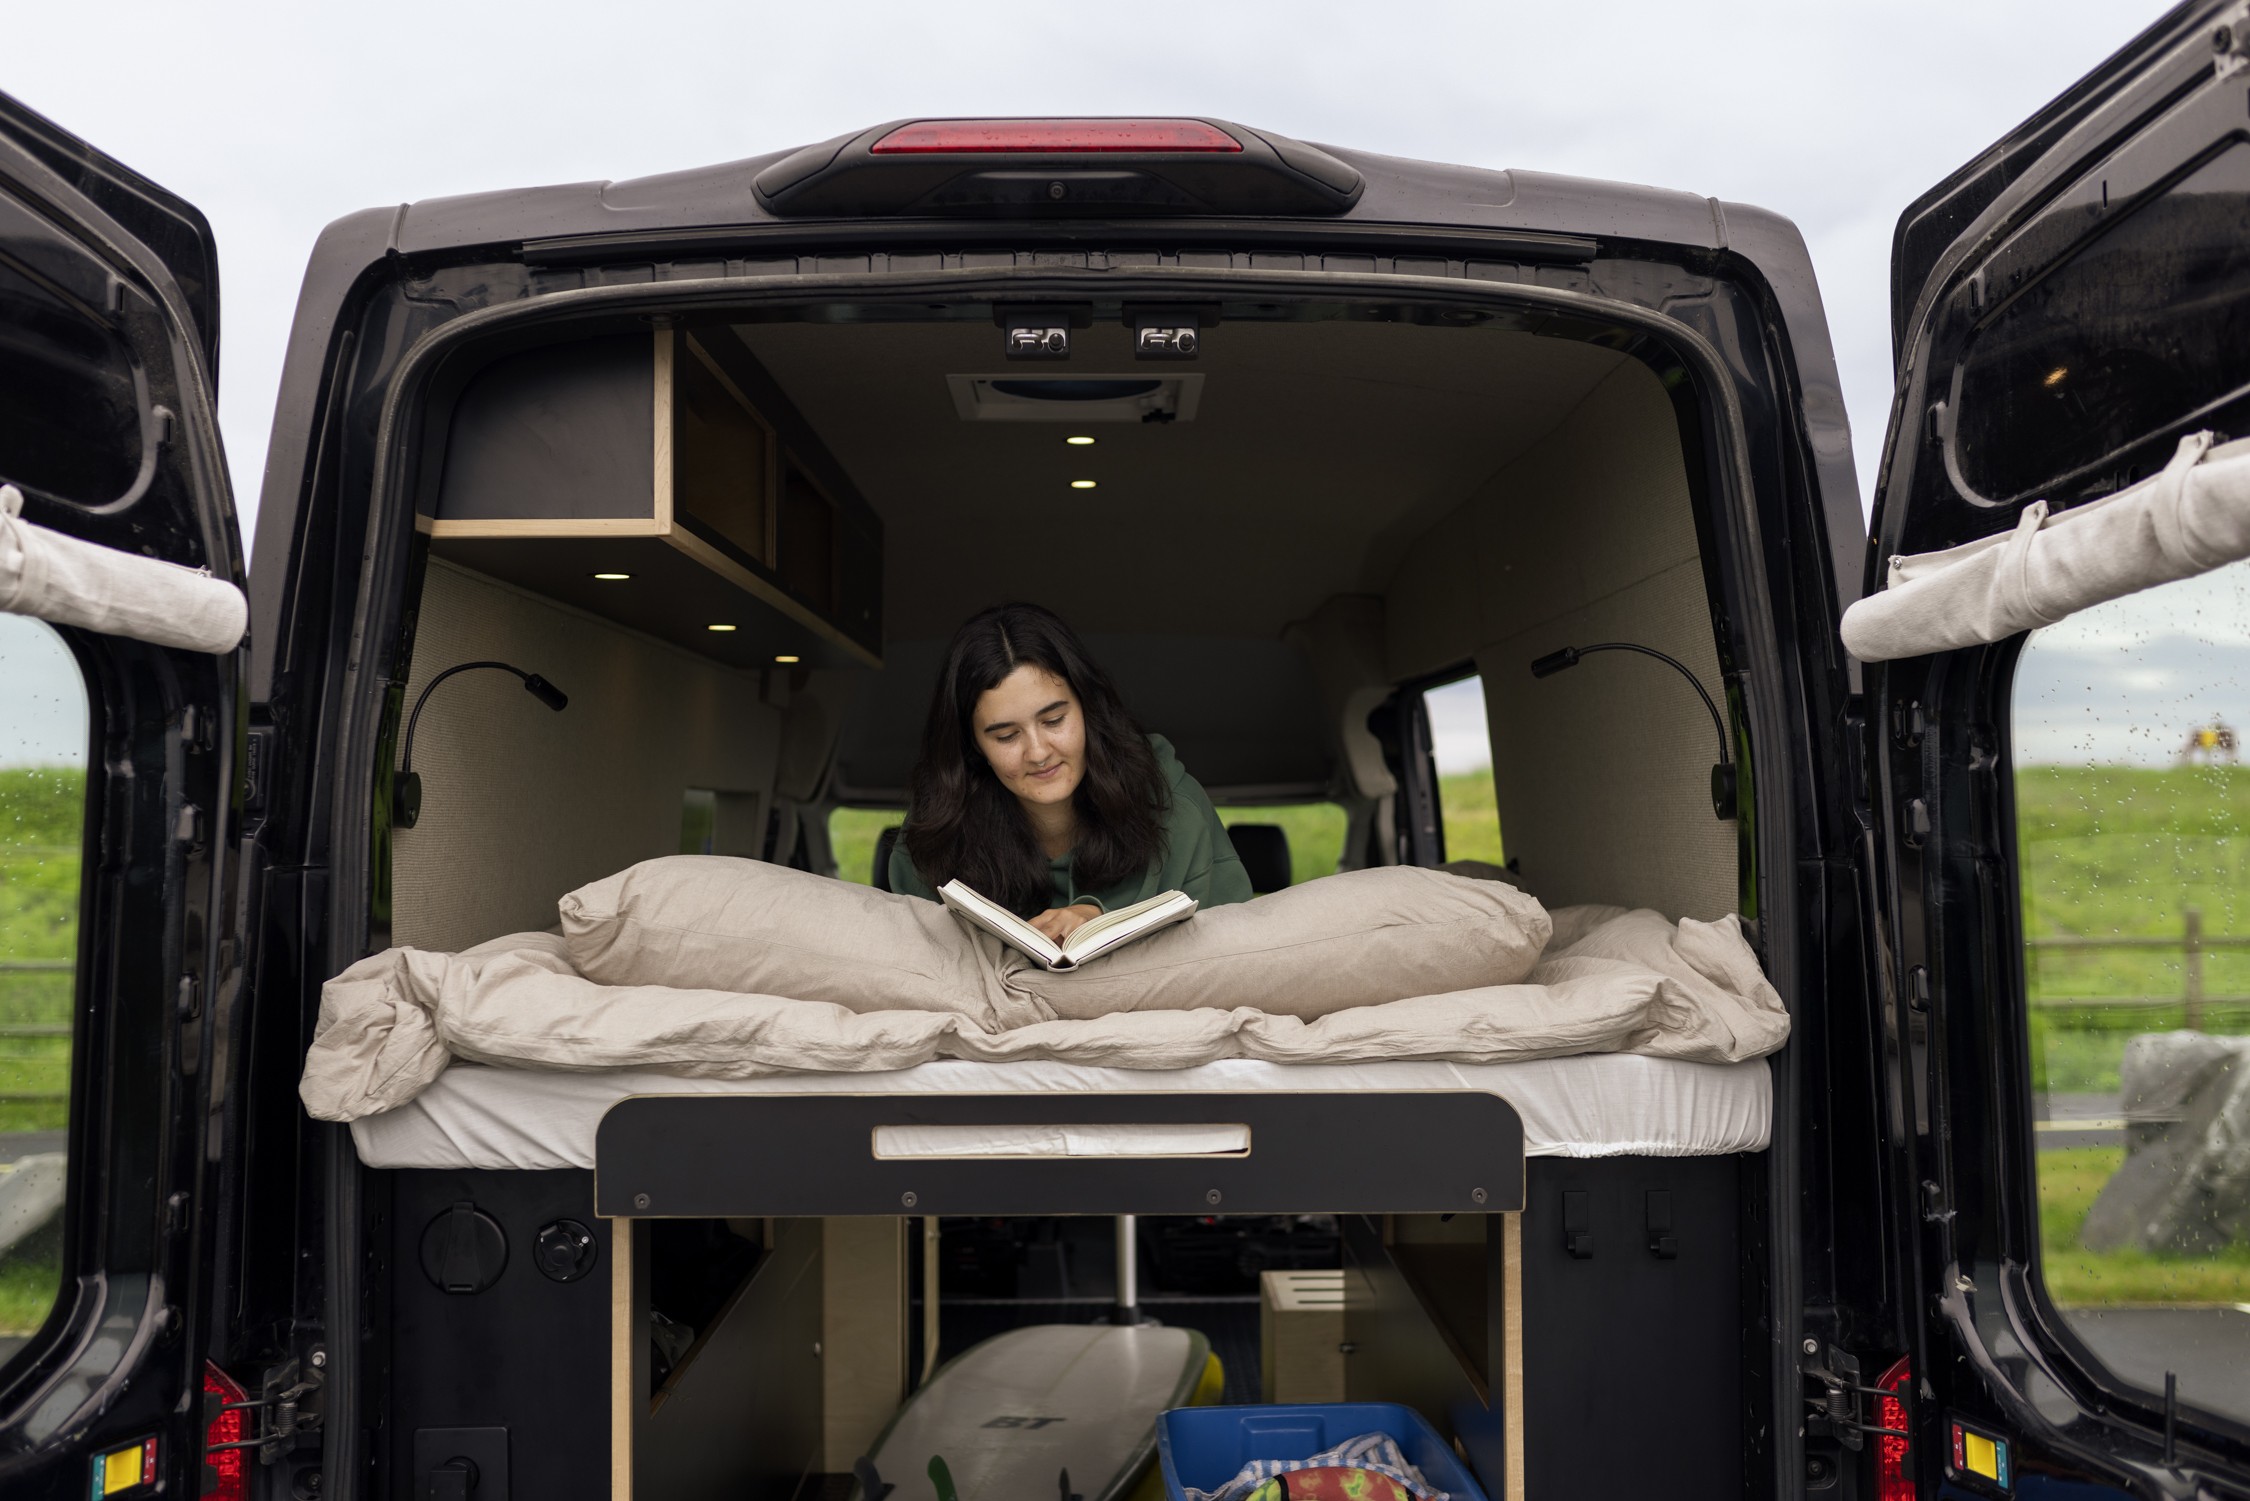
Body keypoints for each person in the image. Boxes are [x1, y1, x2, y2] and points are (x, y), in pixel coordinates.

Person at [890, 602, 1253, 941]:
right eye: (1006, 736)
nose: (1038, 752)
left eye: (1054, 720)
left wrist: (1099, 919)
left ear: (1087, 709)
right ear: (974, 746)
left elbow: (1228, 948)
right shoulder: (935, 829)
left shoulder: (1170, 799)